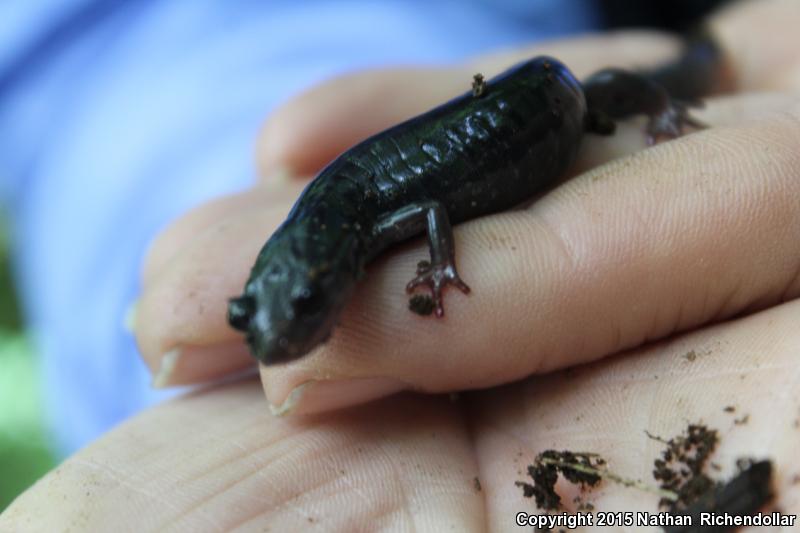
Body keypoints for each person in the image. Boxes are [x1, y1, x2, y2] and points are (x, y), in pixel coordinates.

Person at [3, 0, 800, 529]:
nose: (280, 334)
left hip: (549, 100)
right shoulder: (325, 226)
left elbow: (426, 212)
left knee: (595, 100)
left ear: (333, 265)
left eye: (304, 305)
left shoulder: (357, 223)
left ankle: (669, 87)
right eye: (257, 316)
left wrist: (439, 269)